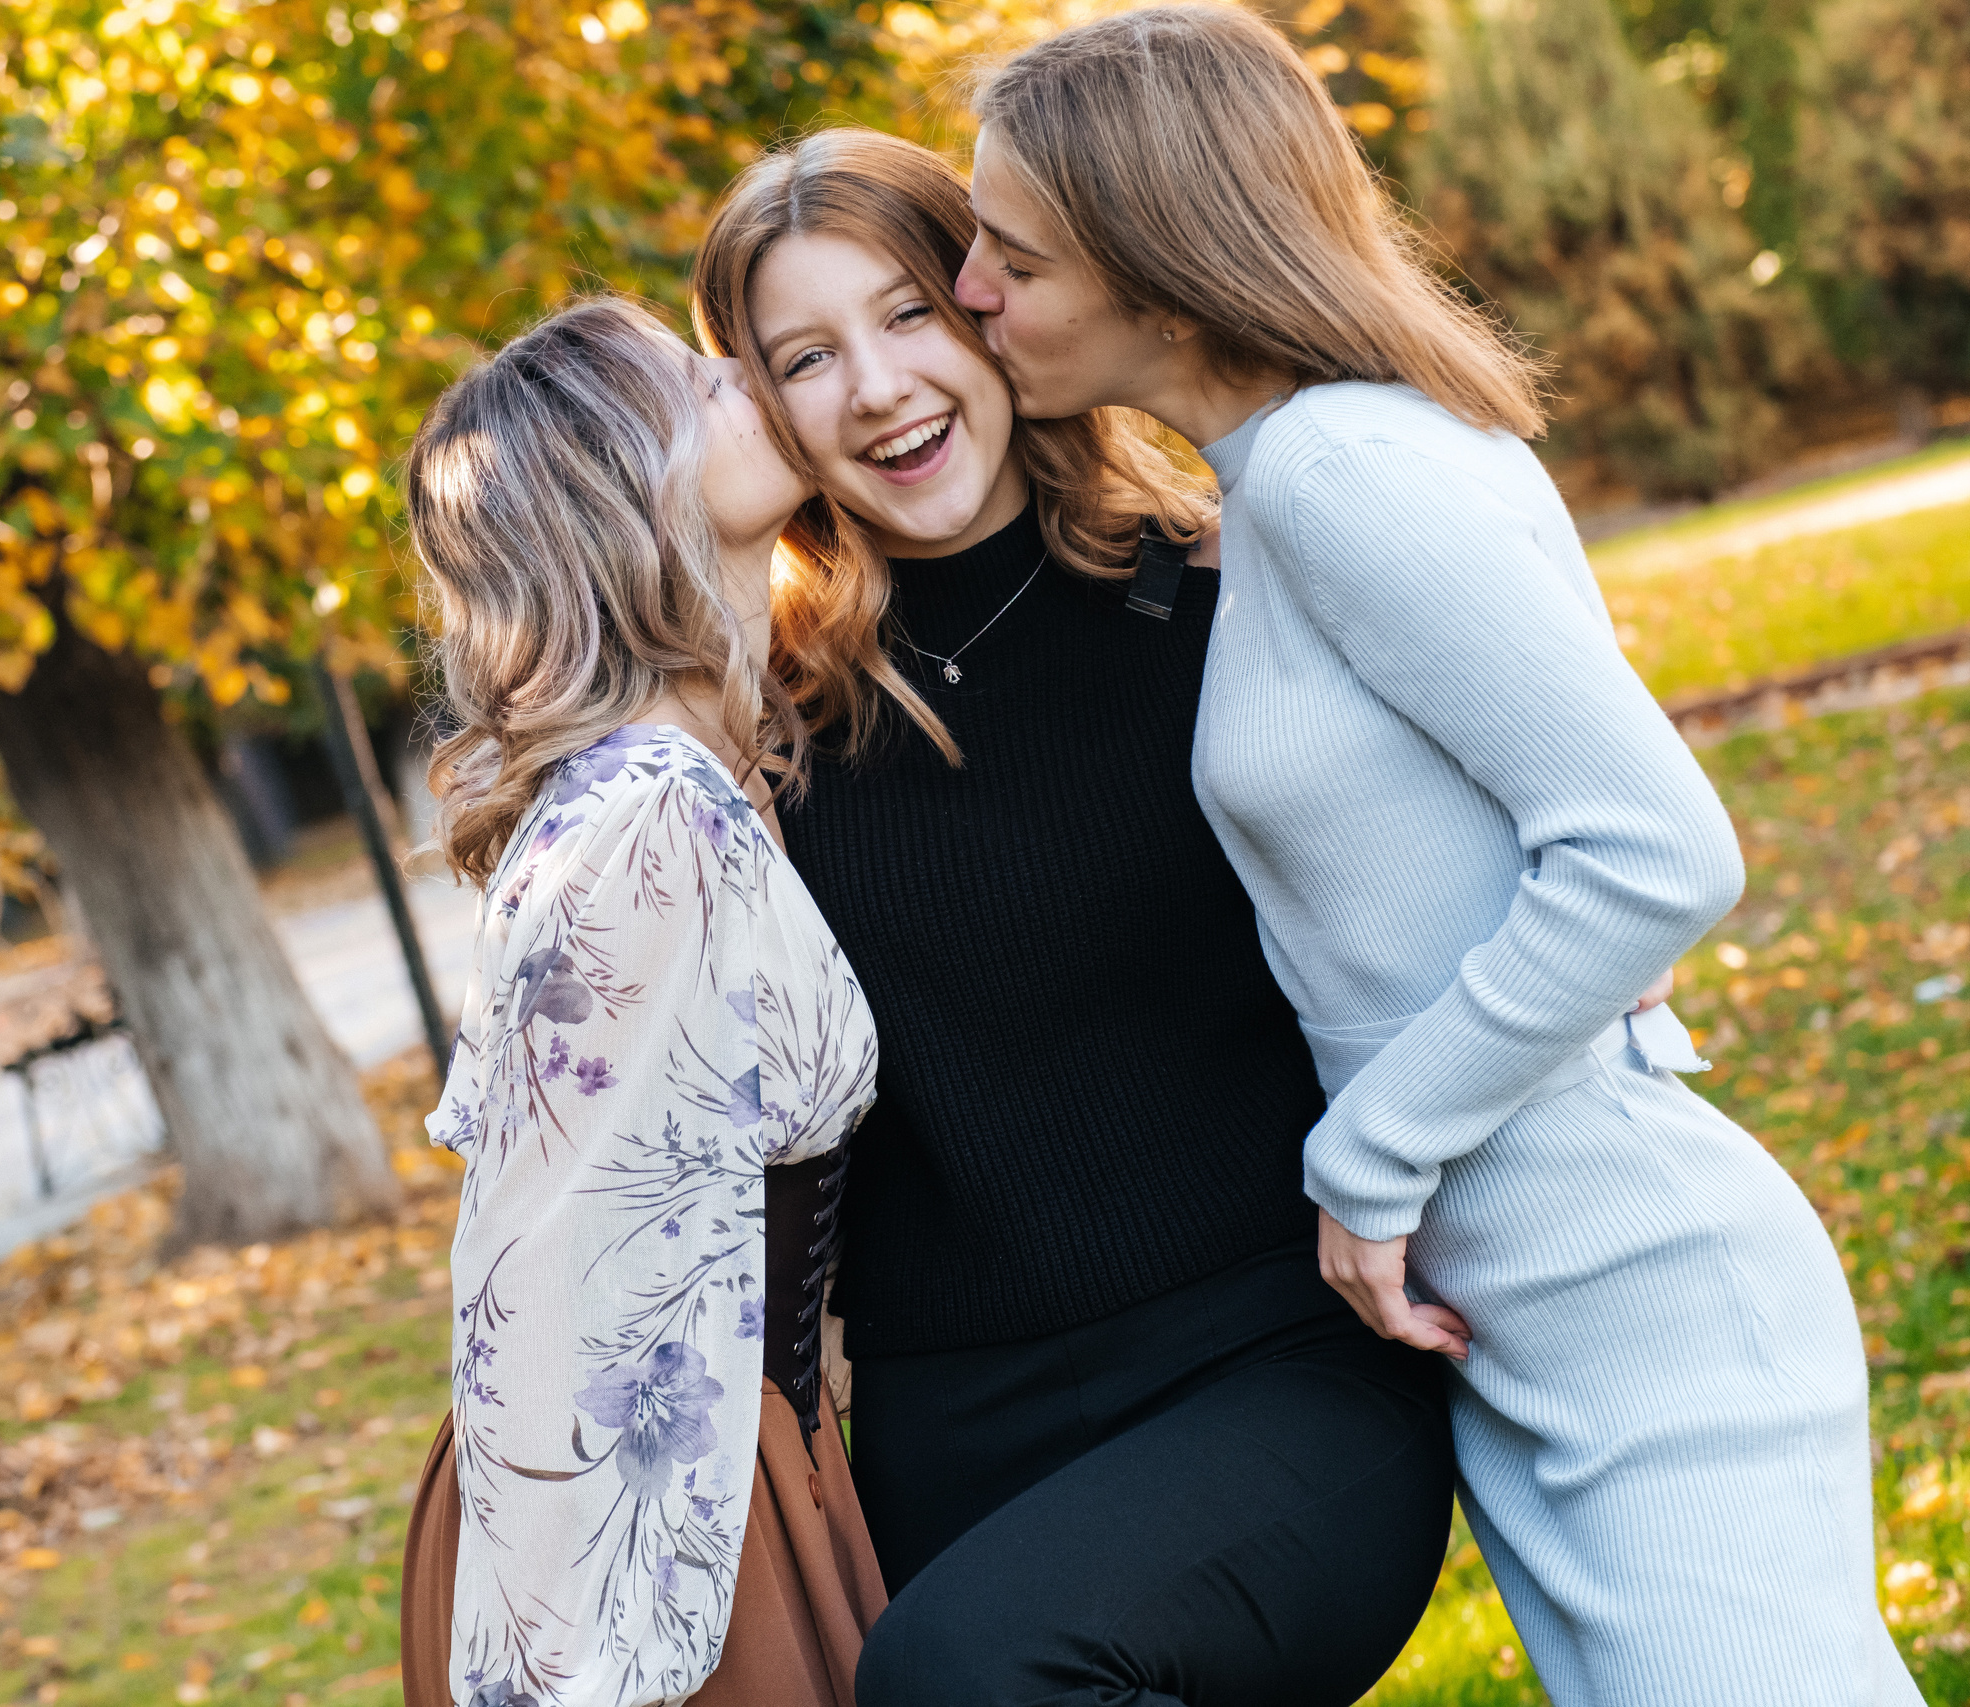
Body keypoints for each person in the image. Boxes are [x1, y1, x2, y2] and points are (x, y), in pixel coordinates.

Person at [957, 10, 1921, 1704]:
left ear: (1164, 273)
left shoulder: (1345, 471)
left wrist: (1368, 1162)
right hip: (1527, 1302)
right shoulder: (1285, 483)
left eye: (1013, 259)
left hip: (1630, 1282)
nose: (970, 291)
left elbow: (1655, 853)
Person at [689, 128, 1461, 1707]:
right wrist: (716, 548)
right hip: (946, 1427)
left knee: (971, 1672)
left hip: (1279, 1366)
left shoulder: (1231, 599)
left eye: (909, 313)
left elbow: (1523, 865)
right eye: (805, 359)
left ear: (996, 305)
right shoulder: (757, 735)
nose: (878, 390)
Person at [396, 296, 887, 1707]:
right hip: (637, 1518)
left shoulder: (709, 770)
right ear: (626, 487)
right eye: (695, 381)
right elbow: (544, 1272)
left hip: (746, 1457)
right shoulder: (644, 816)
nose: (746, 372)